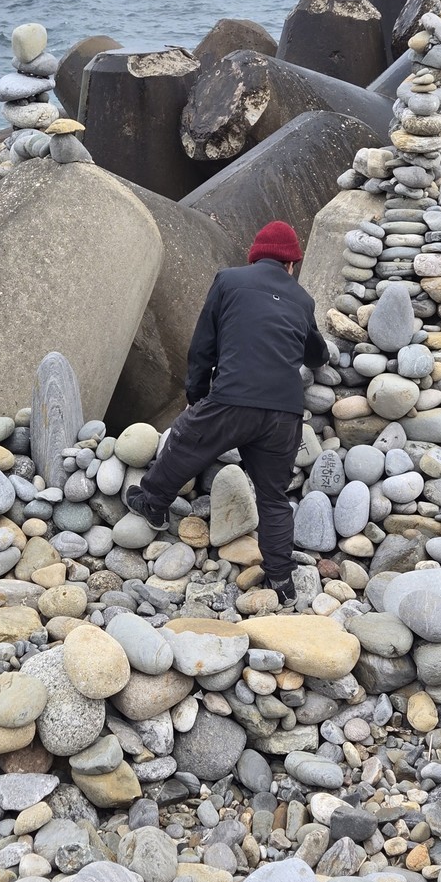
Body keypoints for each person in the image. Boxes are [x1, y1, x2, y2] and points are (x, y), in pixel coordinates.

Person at [126, 220, 329, 607]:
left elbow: (204, 344)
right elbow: (316, 354)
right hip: (284, 413)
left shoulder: (229, 280)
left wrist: (197, 396)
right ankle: (282, 579)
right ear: (291, 264)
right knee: (273, 497)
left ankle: (153, 502)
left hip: (234, 398)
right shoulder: (302, 300)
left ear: (255, 258)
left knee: (186, 441)